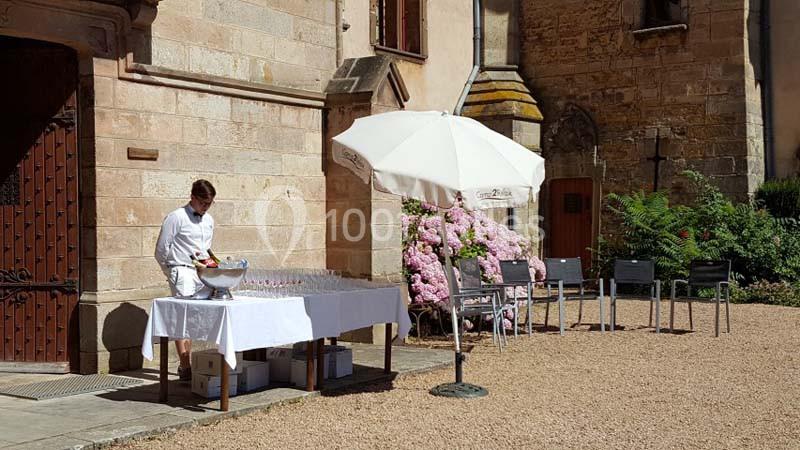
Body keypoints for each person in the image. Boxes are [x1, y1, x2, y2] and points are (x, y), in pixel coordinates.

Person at [154, 179, 216, 381]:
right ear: (193, 198)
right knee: (182, 317)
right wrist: (171, 270)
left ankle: (189, 361)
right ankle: (184, 365)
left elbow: (206, 248)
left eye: (209, 204)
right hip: (181, 270)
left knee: (195, 318)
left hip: (201, 272)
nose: (205, 208)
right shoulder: (176, 217)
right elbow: (162, 249)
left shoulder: (209, 220)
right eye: (203, 203)